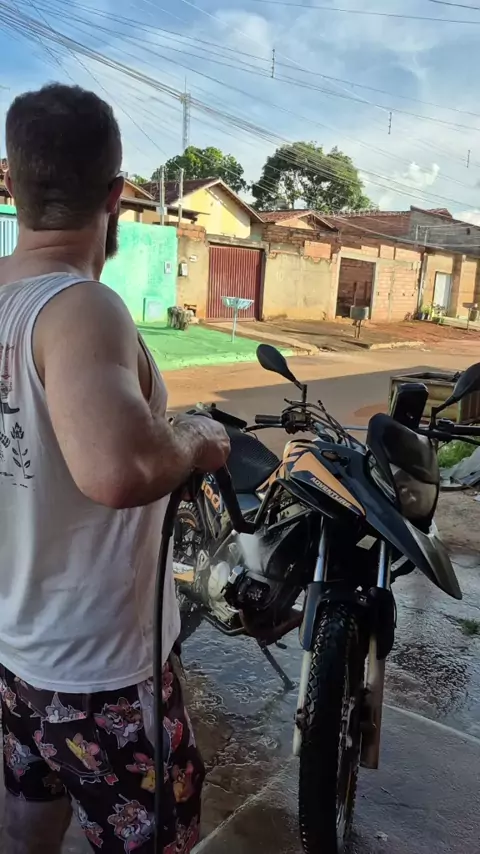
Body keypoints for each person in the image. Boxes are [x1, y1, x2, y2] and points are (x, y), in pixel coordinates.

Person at [0, 83, 230, 853]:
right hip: (101, 668)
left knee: (27, 817)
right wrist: (194, 437)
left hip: (16, 651)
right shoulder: (81, 306)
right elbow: (119, 471)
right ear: (117, 194)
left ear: (11, 181)